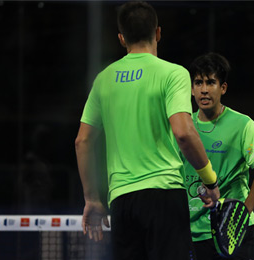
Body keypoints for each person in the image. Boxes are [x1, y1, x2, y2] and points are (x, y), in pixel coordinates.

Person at [74, 2, 220, 260]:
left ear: (121, 38)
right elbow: (184, 133)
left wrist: (92, 199)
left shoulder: (104, 79)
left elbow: (82, 141)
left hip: (121, 201)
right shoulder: (173, 74)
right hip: (164, 196)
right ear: (158, 32)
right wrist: (209, 179)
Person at [182, 53, 254, 260]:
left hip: (233, 233)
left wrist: (242, 214)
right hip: (193, 234)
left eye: (211, 82)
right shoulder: (182, 127)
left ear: (223, 88)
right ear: (191, 88)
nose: (204, 89)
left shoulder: (243, 125)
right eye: (198, 83)